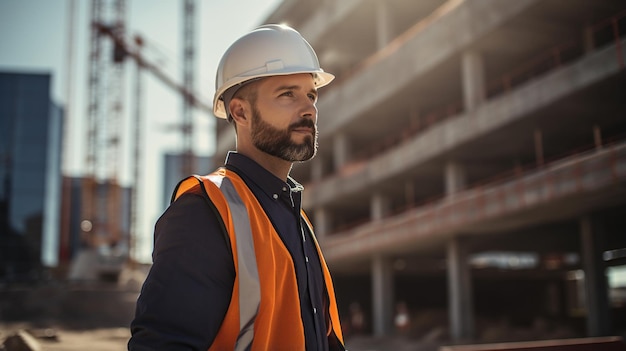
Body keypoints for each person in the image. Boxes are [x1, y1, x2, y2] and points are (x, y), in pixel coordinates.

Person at [128, 24, 345, 351]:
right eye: (288, 94)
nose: (309, 108)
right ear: (240, 112)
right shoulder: (204, 210)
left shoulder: (297, 220)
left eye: (311, 94)